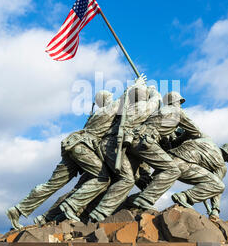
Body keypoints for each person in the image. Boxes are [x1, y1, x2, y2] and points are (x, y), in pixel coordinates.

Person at [5, 89, 120, 230]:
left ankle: (17, 209)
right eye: (110, 97)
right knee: (103, 178)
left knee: (52, 184)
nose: (112, 99)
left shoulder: (96, 114)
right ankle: (72, 205)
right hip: (82, 148)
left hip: (72, 146)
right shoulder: (108, 109)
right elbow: (125, 100)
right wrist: (140, 87)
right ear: (107, 99)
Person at [69, 83, 162, 222]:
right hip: (115, 147)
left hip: (108, 148)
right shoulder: (139, 107)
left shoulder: (121, 110)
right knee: (127, 179)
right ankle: (98, 212)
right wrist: (152, 89)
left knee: (135, 177)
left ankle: (79, 210)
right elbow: (155, 100)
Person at [127, 91, 204, 211]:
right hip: (145, 141)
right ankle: (144, 199)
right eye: (179, 102)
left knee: (136, 178)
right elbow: (196, 132)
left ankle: (128, 202)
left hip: (134, 140)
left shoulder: (158, 111)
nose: (180, 105)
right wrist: (181, 138)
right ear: (175, 102)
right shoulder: (178, 112)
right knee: (173, 170)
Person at [169, 136, 228, 222]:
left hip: (171, 159)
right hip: (184, 167)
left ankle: (186, 199)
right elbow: (216, 187)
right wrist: (215, 210)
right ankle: (185, 197)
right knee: (219, 186)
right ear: (226, 154)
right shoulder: (221, 165)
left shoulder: (207, 142)